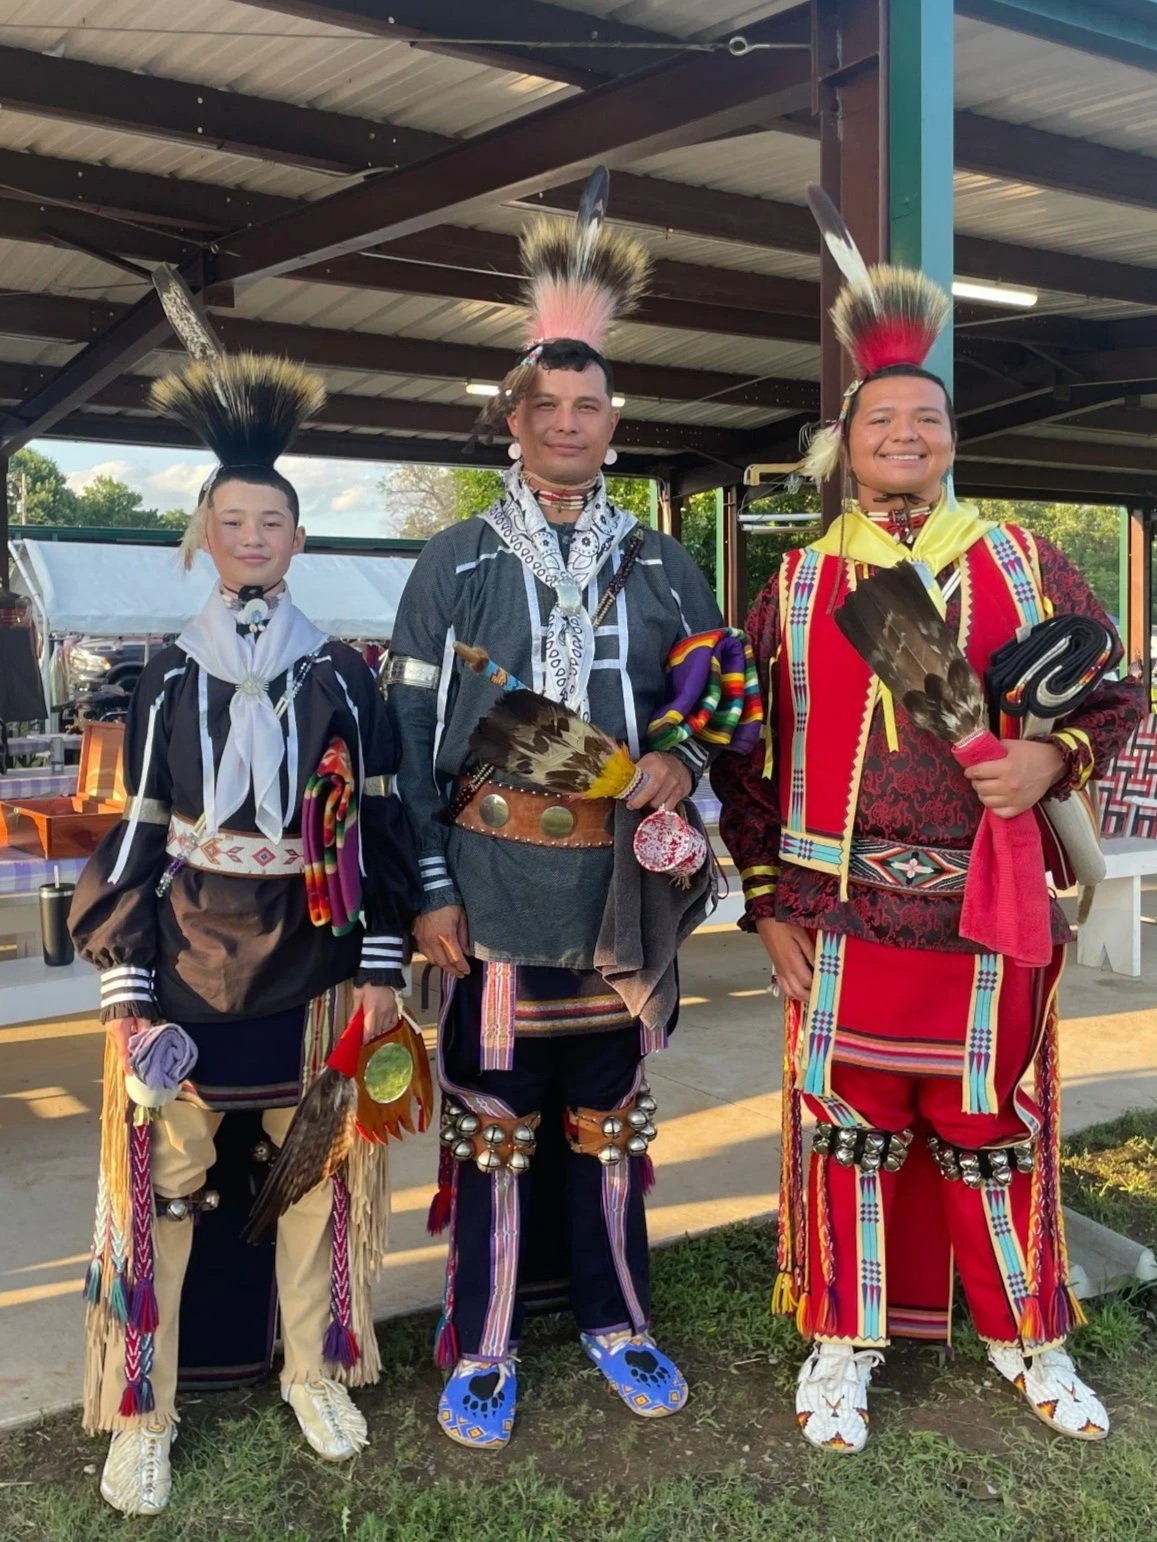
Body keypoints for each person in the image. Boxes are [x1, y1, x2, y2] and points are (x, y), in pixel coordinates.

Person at [712, 201, 1145, 1455]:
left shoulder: (1020, 560)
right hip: (839, 915)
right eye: (878, 421)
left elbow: (1112, 693)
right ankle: (840, 1339)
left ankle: (1025, 1331)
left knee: (988, 1128)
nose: (903, 436)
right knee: (845, 1134)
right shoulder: (794, 587)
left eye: (926, 420)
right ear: (843, 447)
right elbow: (748, 759)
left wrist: (1043, 754)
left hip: (986, 908)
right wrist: (765, 905)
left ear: (951, 441)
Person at [386, 174, 730, 1449]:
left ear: (612, 419)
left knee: (611, 1127)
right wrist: (424, 889)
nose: (571, 425)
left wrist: (679, 765)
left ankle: (616, 1318)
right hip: (488, 892)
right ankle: (480, 1339)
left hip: (619, 896)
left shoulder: (658, 559)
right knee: (490, 1132)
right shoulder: (457, 563)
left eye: (591, 408)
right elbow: (401, 747)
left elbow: (717, 687)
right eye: (552, 407)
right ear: (514, 420)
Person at [70, 352, 418, 1515]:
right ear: (205, 538)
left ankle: (313, 1373)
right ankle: (142, 1408)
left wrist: (380, 963)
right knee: (164, 1190)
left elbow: (378, 819)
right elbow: (136, 829)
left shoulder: (341, 676)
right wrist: (125, 970)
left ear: (297, 536)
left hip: (313, 966)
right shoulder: (166, 677)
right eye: (233, 519)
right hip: (185, 965)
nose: (253, 535)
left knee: (314, 1176)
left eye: (272, 519)